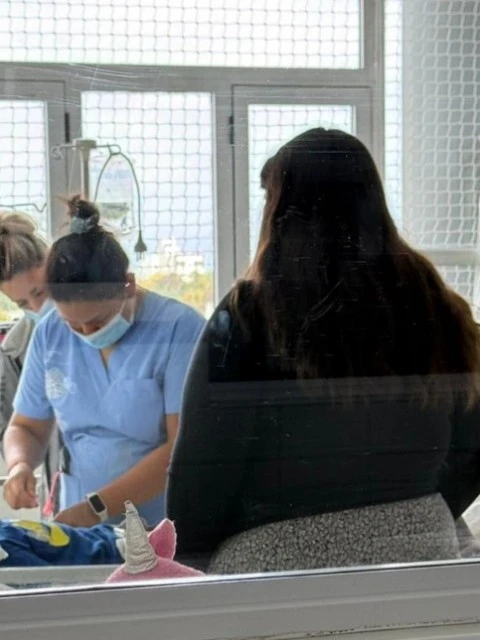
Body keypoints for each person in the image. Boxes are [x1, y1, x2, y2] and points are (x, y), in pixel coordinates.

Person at [167, 128, 480, 571]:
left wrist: (192, 562)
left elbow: (201, 474)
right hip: (419, 556)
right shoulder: (434, 304)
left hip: (277, 565)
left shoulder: (249, 313)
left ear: (281, 211)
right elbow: (472, 441)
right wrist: (411, 510)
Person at [3, 196, 205, 529]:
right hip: (79, 519)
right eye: (73, 324)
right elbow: (26, 426)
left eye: (97, 321)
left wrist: (97, 506)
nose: (86, 334)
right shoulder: (50, 333)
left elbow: (181, 448)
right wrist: (19, 465)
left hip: (159, 524)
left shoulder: (179, 329)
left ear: (128, 285)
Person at [0, 211, 61, 517]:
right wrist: (18, 466)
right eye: (23, 304)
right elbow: (17, 429)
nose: (38, 308)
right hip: (61, 501)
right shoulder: (15, 350)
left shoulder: (99, 326)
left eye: (41, 292)